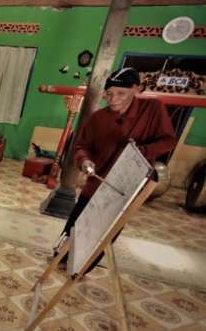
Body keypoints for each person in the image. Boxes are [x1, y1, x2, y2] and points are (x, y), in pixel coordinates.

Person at [56, 67, 176, 267]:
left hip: (125, 187)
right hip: (96, 181)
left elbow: (168, 141)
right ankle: (59, 258)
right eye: (109, 94)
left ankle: (82, 268)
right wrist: (84, 160)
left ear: (136, 89)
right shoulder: (98, 118)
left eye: (121, 94)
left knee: (104, 230)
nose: (113, 99)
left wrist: (141, 151)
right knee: (77, 224)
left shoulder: (153, 109)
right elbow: (81, 145)